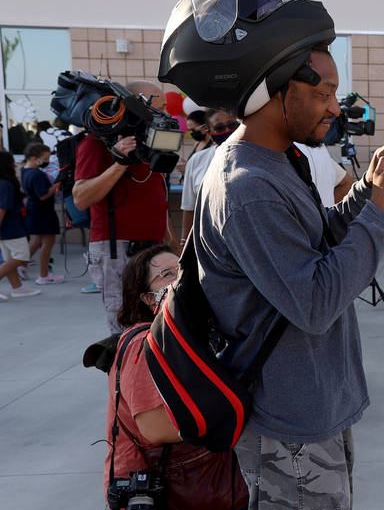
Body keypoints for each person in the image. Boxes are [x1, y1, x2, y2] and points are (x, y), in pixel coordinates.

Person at [159, 0, 384, 510]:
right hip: (290, 431)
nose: (336, 104)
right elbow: (313, 298)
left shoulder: (273, 164)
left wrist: (364, 192)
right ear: (279, 91)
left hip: (313, 415)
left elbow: (309, 251)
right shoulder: (244, 183)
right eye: (324, 90)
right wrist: (381, 214)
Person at [98, 245, 250, 510]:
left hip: (204, 467)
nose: (181, 280)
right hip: (159, 472)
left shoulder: (201, 332)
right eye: (167, 275)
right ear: (145, 298)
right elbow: (155, 430)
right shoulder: (143, 345)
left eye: (184, 270)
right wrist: (231, 414)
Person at [72, 80, 171, 332]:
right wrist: (119, 162)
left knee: (160, 322)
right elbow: (81, 197)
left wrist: (171, 240)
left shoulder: (151, 145)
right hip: (117, 249)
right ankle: (126, 369)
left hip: (154, 247)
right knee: (126, 325)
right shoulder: (95, 143)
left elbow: (156, 194)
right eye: (159, 107)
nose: (166, 114)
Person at [179, 107, 239, 242]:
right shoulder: (197, 160)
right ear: (208, 130)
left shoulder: (254, 154)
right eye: (219, 128)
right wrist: (185, 242)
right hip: (210, 239)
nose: (227, 131)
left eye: (231, 125)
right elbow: (189, 207)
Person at [21, 143, 64, 284]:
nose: (47, 161)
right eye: (45, 158)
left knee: (35, 241)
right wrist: (58, 184)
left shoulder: (24, 170)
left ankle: (21, 266)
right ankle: (44, 275)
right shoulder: (37, 174)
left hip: (33, 210)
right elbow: (43, 195)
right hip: (43, 211)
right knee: (47, 242)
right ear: (34, 158)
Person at [0, 151, 38, 300]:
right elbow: (2, 208)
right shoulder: (6, 184)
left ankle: (18, 288)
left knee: (10, 258)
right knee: (21, 256)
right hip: (12, 228)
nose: (15, 165)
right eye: (12, 162)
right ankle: (18, 288)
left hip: (7, 228)